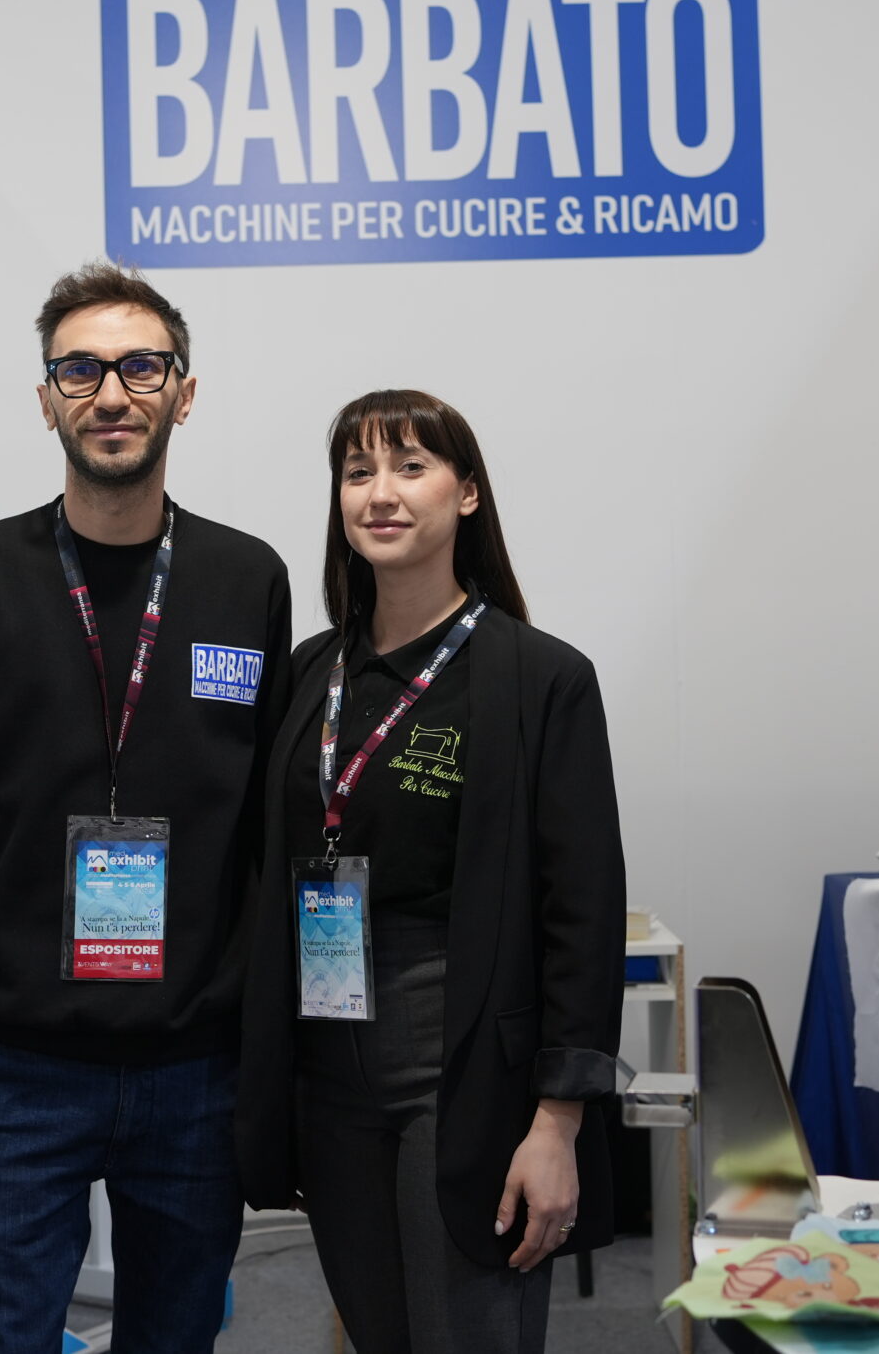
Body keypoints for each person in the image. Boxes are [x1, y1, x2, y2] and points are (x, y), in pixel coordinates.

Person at [0, 263, 292, 1354]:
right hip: (13, 1070)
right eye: (81, 370)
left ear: (183, 393)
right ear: (46, 397)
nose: (111, 393)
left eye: (141, 366)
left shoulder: (248, 581)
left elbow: (268, 823)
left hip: (196, 1070)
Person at [237, 388, 627, 1354]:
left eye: (411, 466)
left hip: (460, 1055)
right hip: (328, 1053)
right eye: (358, 471)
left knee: (469, 1333)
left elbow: (582, 913)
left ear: (468, 493)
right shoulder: (310, 672)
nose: (382, 492)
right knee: (378, 1333)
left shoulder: (541, 678)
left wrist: (557, 1123)